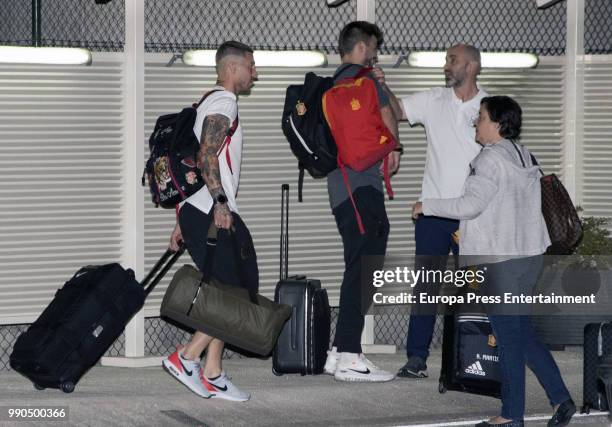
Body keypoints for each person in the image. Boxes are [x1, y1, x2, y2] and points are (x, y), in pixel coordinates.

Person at [412, 96, 575, 427]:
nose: (476, 123)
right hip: (528, 256)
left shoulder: (488, 160)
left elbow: (469, 205)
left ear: (498, 124)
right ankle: (561, 398)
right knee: (522, 333)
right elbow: (505, 208)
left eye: (481, 118)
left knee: (509, 338)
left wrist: (425, 206)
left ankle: (511, 415)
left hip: (501, 262)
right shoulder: (524, 154)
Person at [376, 44, 488, 378]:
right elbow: (395, 111)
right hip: (433, 212)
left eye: (452, 60)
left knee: (475, 287)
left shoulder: (489, 106)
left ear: (471, 66)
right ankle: (416, 358)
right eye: (446, 60)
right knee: (426, 285)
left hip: (474, 214)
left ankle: (475, 357)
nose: (446, 66)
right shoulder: (432, 99)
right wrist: (382, 85)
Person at [162, 40, 258, 402]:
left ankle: (213, 371)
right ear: (232, 68)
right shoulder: (224, 102)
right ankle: (186, 357)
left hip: (199, 211)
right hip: (210, 211)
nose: (256, 73)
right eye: (251, 65)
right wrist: (219, 201)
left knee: (227, 289)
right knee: (232, 293)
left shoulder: (209, 100)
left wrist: (183, 221)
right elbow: (205, 155)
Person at [322, 21, 401, 382]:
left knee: (356, 263)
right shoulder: (367, 81)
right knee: (366, 265)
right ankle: (351, 355)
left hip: (341, 188)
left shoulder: (331, 84)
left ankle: (339, 351)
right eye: (373, 47)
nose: (375, 54)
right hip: (363, 187)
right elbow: (391, 117)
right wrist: (395, 146)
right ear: (363, 48)